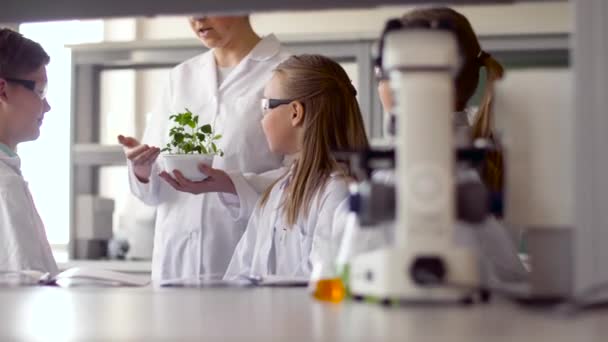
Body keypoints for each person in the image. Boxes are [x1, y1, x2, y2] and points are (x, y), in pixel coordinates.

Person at [337, 7, 527, 284]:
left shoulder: (412, 170)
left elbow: (347, 273)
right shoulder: (493, 150)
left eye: (382, 76)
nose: (382, 86)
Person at [118, 15, 291, 282]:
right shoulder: (181, 77)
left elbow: (304, 175)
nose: (196, 18)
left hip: (242, 257)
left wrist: (234, 185)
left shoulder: (285, 72)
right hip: (175, 262)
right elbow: (154, 192)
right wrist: (142, 170)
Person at [212, 54, 368, 279]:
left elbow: (325, 280)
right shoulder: (276, 193)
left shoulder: (338, 192)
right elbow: (240, 274)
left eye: (266, 106)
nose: (261, 119)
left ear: (296, 112)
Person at [0, 28, 58, 274]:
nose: (47, 106)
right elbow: (27, 292)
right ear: (2, 90)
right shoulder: (4, 186)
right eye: (40, 91)